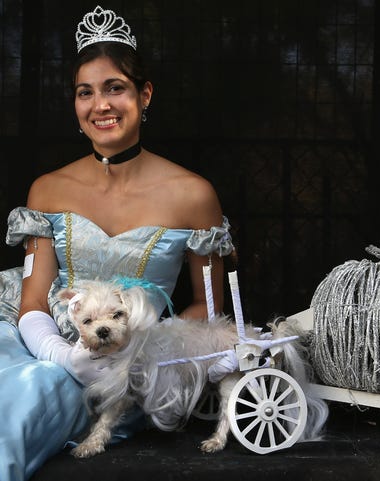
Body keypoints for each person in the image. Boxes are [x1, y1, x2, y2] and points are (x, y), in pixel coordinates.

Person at [0, 6, 234, 481]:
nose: (99, 105)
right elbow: (31, 303)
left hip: (129, 362)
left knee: (29, 400)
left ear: (144, 95)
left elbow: (207, 309)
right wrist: (64, 354)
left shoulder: (193, 194)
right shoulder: (48, 190)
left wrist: (137, 355)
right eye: (85, 92)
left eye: (115, 88)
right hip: (40, 344)